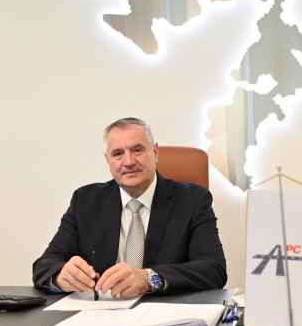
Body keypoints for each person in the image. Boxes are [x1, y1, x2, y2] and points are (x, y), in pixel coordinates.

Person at [32, 117, 227, 298]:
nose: (128, 161)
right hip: (100, 315)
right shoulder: (85, 201)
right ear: (107, 160)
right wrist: (60, 276)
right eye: (117, 154)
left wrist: (149, 278)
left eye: (137, 150)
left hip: (166, 313)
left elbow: (214, 269)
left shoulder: (193, 200)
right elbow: (45, 264)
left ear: (155, 152)